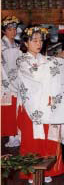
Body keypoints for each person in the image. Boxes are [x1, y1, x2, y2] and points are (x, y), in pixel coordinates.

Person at [16, 26, 64, 183]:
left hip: (47, 106)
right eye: (34, 40)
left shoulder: (47, 60)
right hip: (30, 106)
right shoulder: (22, 60)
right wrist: (53, 66)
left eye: (41, 40)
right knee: (30, 141)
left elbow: (58, 73)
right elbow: (33, 76)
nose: (39, 43)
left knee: (48, 140)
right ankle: (31, 173)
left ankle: (48, 171)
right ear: (26, 43)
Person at [1, 16, 22, 147]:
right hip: (4, 80)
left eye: (15, 29)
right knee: (8, 108)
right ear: (4, 31)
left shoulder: (16, 44)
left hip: (16, 79)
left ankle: (17, 134)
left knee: (16, 107)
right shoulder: (1, 45)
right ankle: (11, 136)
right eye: (10, 29)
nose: (13, 31)